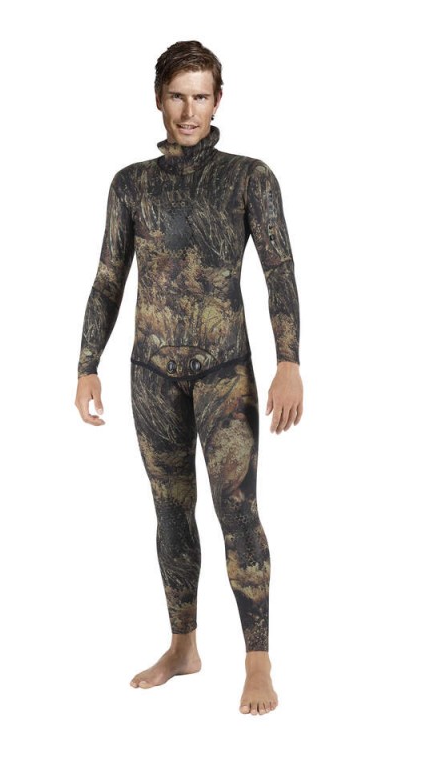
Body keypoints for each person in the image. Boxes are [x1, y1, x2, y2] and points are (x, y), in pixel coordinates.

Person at [74, 40, 303, 715]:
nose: (189, 110)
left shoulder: (249, 177)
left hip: (224, 373)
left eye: (201, 96)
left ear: (218, 100)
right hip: (152, 373)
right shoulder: (131, 184)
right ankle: (183, 647)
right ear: (158, 99)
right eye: (177, 96)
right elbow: (108, 278)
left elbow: (280, 270)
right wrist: (86, 364)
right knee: (170, 513)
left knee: (238, 512)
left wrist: (289, 360)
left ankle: (258, 661)